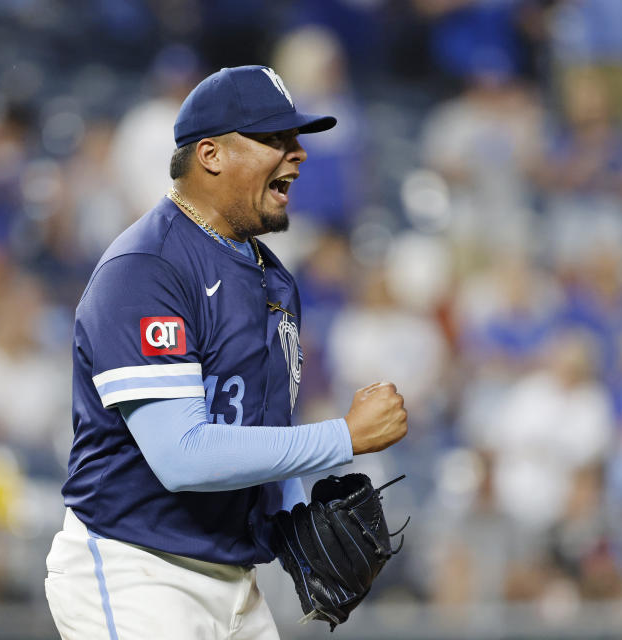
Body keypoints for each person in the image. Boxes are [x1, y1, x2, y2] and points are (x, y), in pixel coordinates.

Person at [44, 65, 408, 640]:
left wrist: (291, 520)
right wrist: (344, 437)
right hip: (137, 570)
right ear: (210, 155)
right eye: (273, 140)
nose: (297, 154)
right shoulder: (147, 269)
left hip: (234, 580)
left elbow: (259, 427)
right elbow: (182, 454)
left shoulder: (272, 279)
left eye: (295, 139)